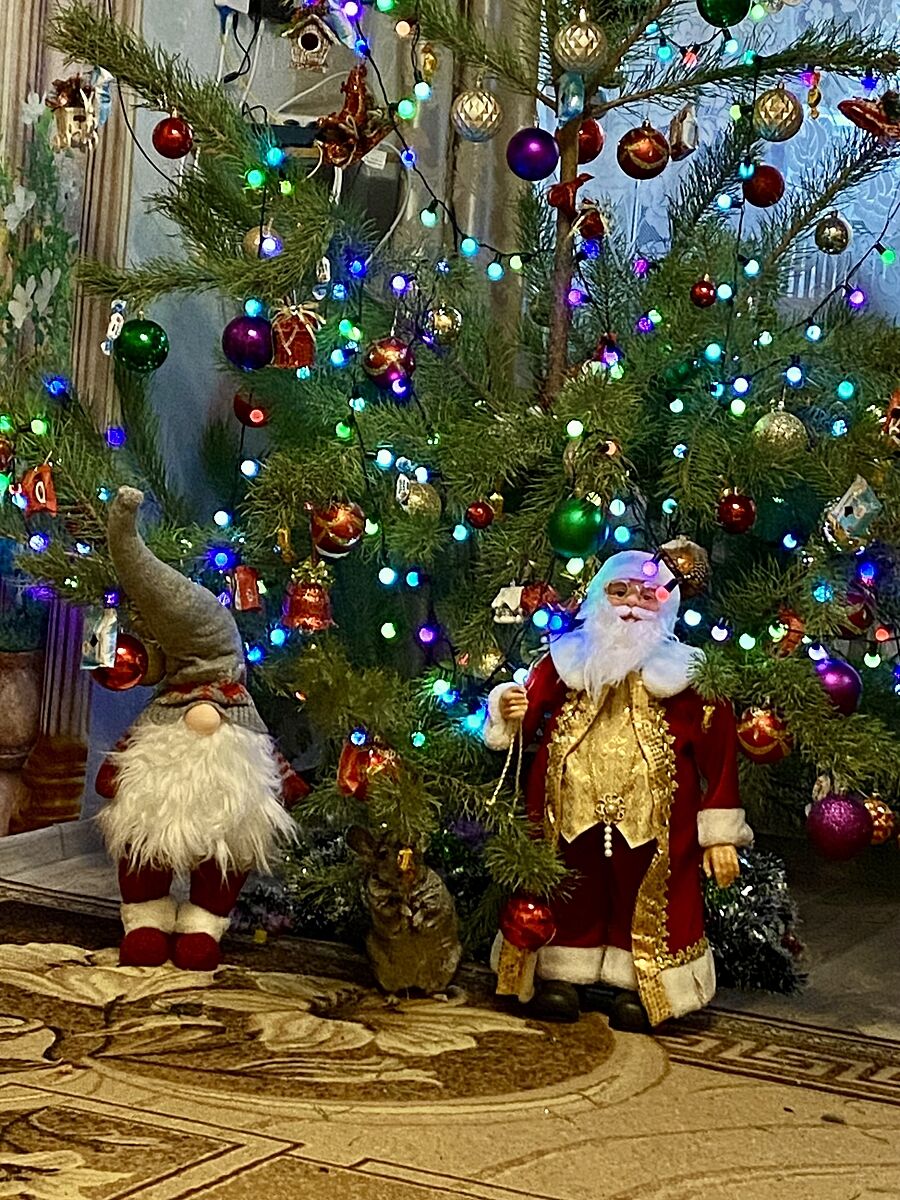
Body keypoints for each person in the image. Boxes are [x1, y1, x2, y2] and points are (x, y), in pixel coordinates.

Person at [483, 550, 752, 1030]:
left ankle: (641, 984)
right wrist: (506, 707)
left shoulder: (688, 674)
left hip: (654, 820)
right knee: (567, 885)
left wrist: (720, 834)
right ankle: (563, 973)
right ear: (599, 597)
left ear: (666, 606)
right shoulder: (567, 659)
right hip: (567, 810)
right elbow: (526, 710)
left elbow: (720, 751)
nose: (631, 605)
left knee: (649, 894)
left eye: (647, 596)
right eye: (620, 591)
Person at [95, 487, 307, 972]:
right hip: (164, 793)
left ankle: (204, 921)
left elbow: (269, 759)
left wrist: (286, 783)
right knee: (142, 838)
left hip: (223, 801)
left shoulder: (241, 705)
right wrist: (114, 774)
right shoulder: (165, 705)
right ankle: (146, 916)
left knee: (230, 847)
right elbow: (126, 755)